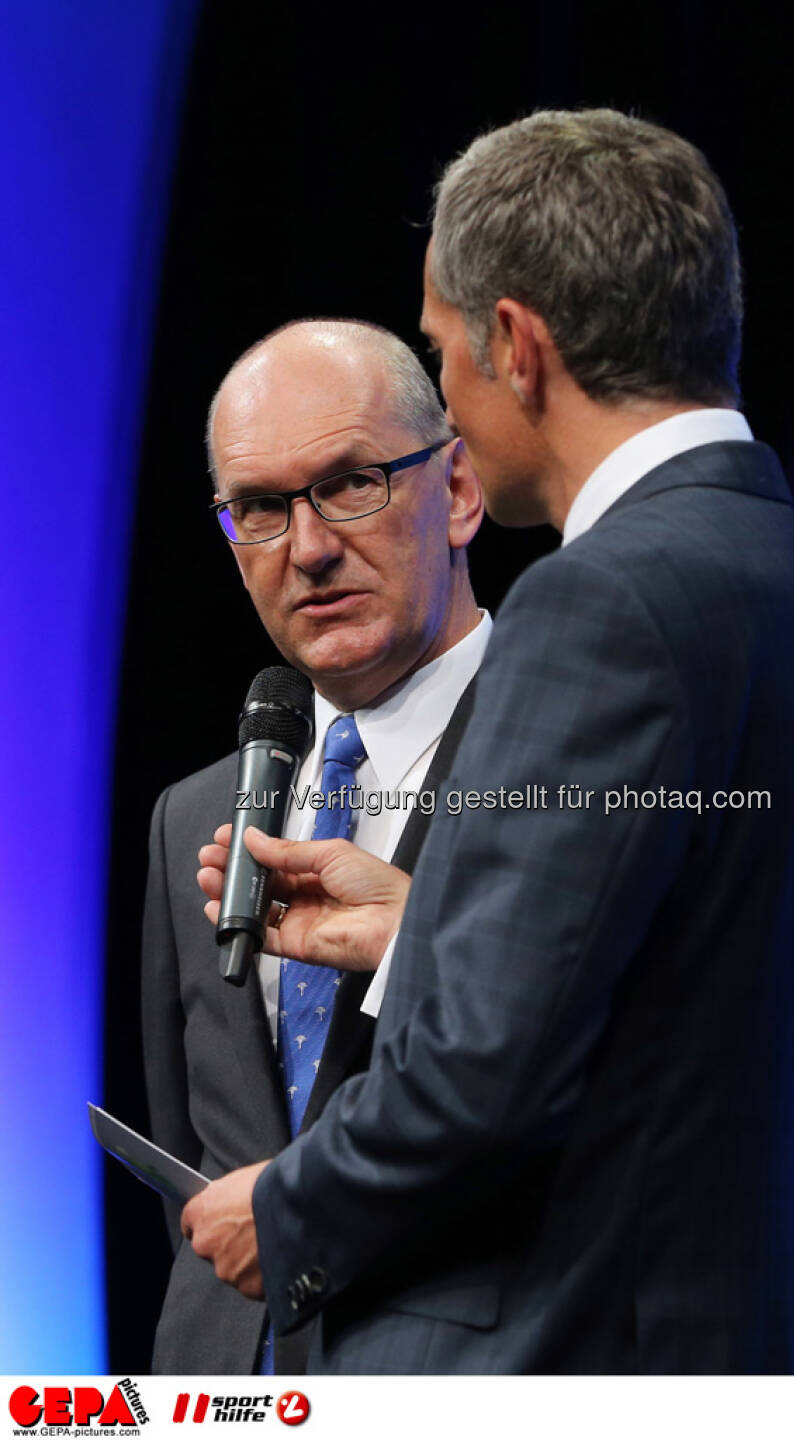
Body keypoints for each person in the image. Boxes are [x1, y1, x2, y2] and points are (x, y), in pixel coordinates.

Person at [184, 110, 794, 1373]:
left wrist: (289, 1205)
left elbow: (487, 1075)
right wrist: (429, 923)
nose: (449, 393)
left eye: (441, 350)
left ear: (515, 345)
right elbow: (682, 1022)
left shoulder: (598, 601)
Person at [142, 318, 486, 1373]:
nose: (308, 547)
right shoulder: (192, 816)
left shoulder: (589, 765)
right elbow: (204, 1152)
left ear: (460, 490)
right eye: (258, 508)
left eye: (350, 484)